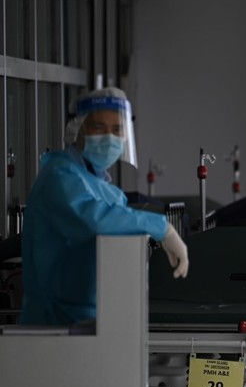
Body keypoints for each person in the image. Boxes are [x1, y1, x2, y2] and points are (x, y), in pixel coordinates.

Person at [21, 87, 189, 325]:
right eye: (99, 127)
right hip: (54, 323)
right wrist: (163, 227)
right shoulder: (59, 176)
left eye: (118, 129)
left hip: (91, 319)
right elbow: (96, 218)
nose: (110, 137)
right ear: (77, 130)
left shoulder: (98, 184)